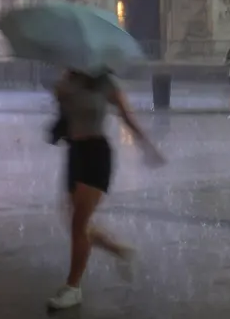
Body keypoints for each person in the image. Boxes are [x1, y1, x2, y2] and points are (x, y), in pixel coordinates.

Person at [48, 69, 164, 309]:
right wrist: (60, 96)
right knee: (75, 222)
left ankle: (73, 287)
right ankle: (120, 251)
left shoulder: (104, 82)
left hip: (96, 154)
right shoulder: (68, 80)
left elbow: (126, 116)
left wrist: (147, 146)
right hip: (75, 153)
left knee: (78, 224)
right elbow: (66, 119)